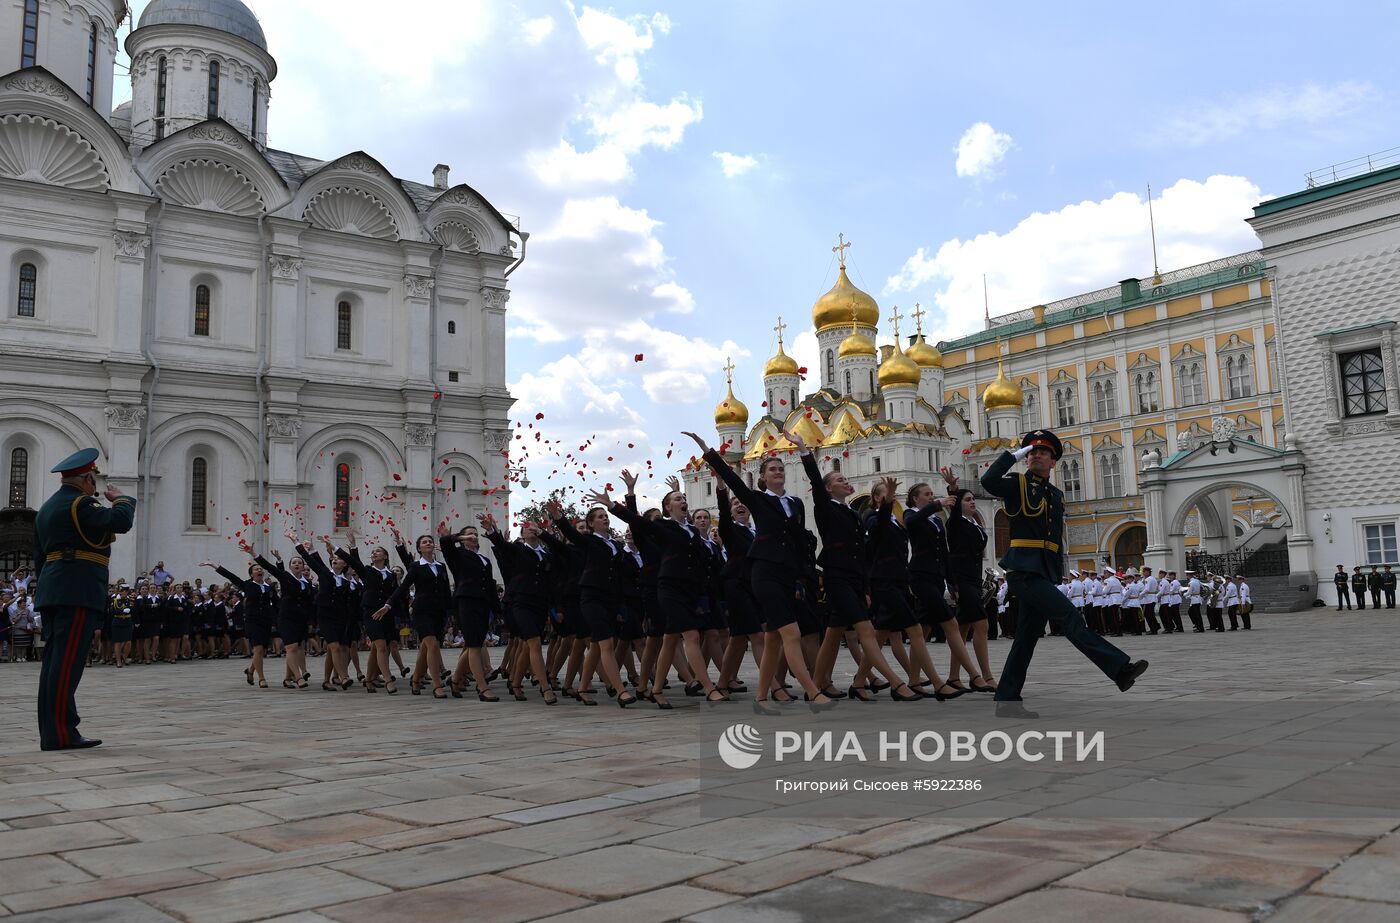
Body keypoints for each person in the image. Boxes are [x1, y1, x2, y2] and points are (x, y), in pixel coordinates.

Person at [981, 431, 1146, 719]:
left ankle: (1007, 702)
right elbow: (988, 481)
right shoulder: (1017, 485)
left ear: (1053, 461)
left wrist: (1053, 574)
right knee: (1071, 618)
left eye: (1042, 452)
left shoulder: (1055, 495)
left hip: (1042, 573)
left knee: (1025, 640)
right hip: (1023, 571)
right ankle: (1119, 669)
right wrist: (1014, 455)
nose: (1036, 455)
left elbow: (1054, 539)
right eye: (1031, 452)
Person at [684, 430, 833, 713]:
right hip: (764, 573)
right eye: (771, 470)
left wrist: (803, 448)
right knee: (791, 633)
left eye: (780, 469)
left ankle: (762, 697)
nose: (777, 472)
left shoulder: (796, 503)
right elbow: (733, 481)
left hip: (789, 574)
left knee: (775, 638)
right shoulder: (757, 499)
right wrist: (708, 451)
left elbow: (814, 486)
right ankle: (813, 692)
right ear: (762, 477)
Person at [33, 448, 137, 750]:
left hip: (55, 591)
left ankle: (56, 730)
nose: (96, 486)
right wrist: (121, 498)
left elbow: (40, 558)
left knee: (55, 663)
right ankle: (60, 733)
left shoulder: (47, 509)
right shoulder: (81, 503)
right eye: (94, 480)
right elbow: (120, 521)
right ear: (86, 479)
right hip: (76, 591)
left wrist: (49, 588)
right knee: (66, 664)